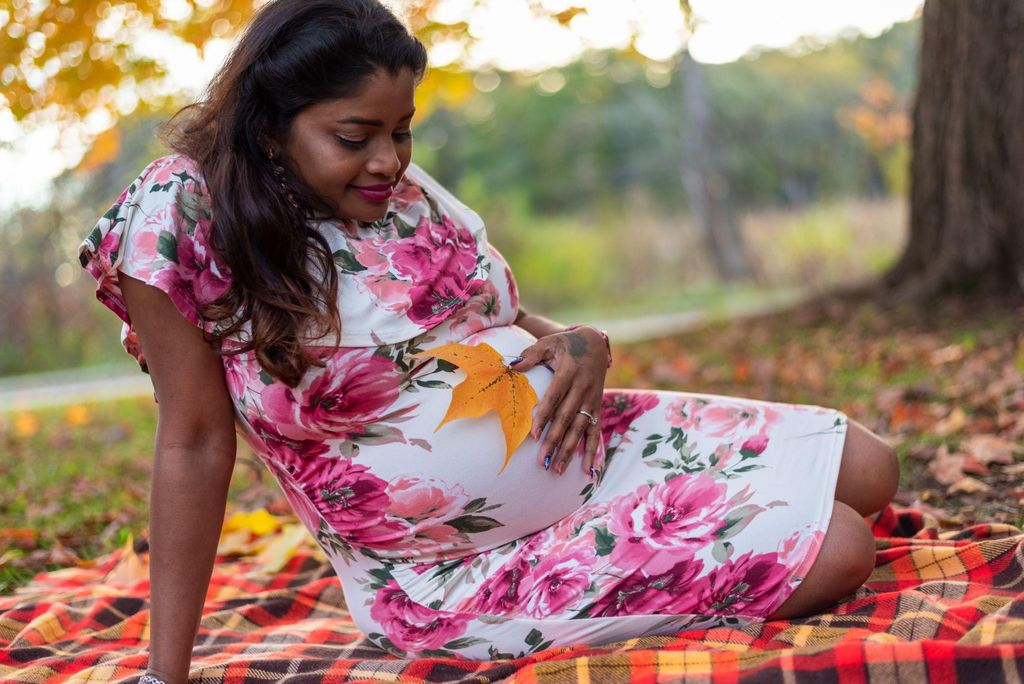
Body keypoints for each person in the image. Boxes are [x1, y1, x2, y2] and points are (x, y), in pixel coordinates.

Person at [78, 0, 899, 680]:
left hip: (592, 446)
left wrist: (578, 341)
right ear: (268, 128)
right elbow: (190, 441)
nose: (389, 159)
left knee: (872, 466)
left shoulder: (394, 187)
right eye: (355, 136)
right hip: (452, 568)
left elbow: (493, 316)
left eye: (403, 131)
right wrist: (165, 673)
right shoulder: (181, 217)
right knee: (840, 547)